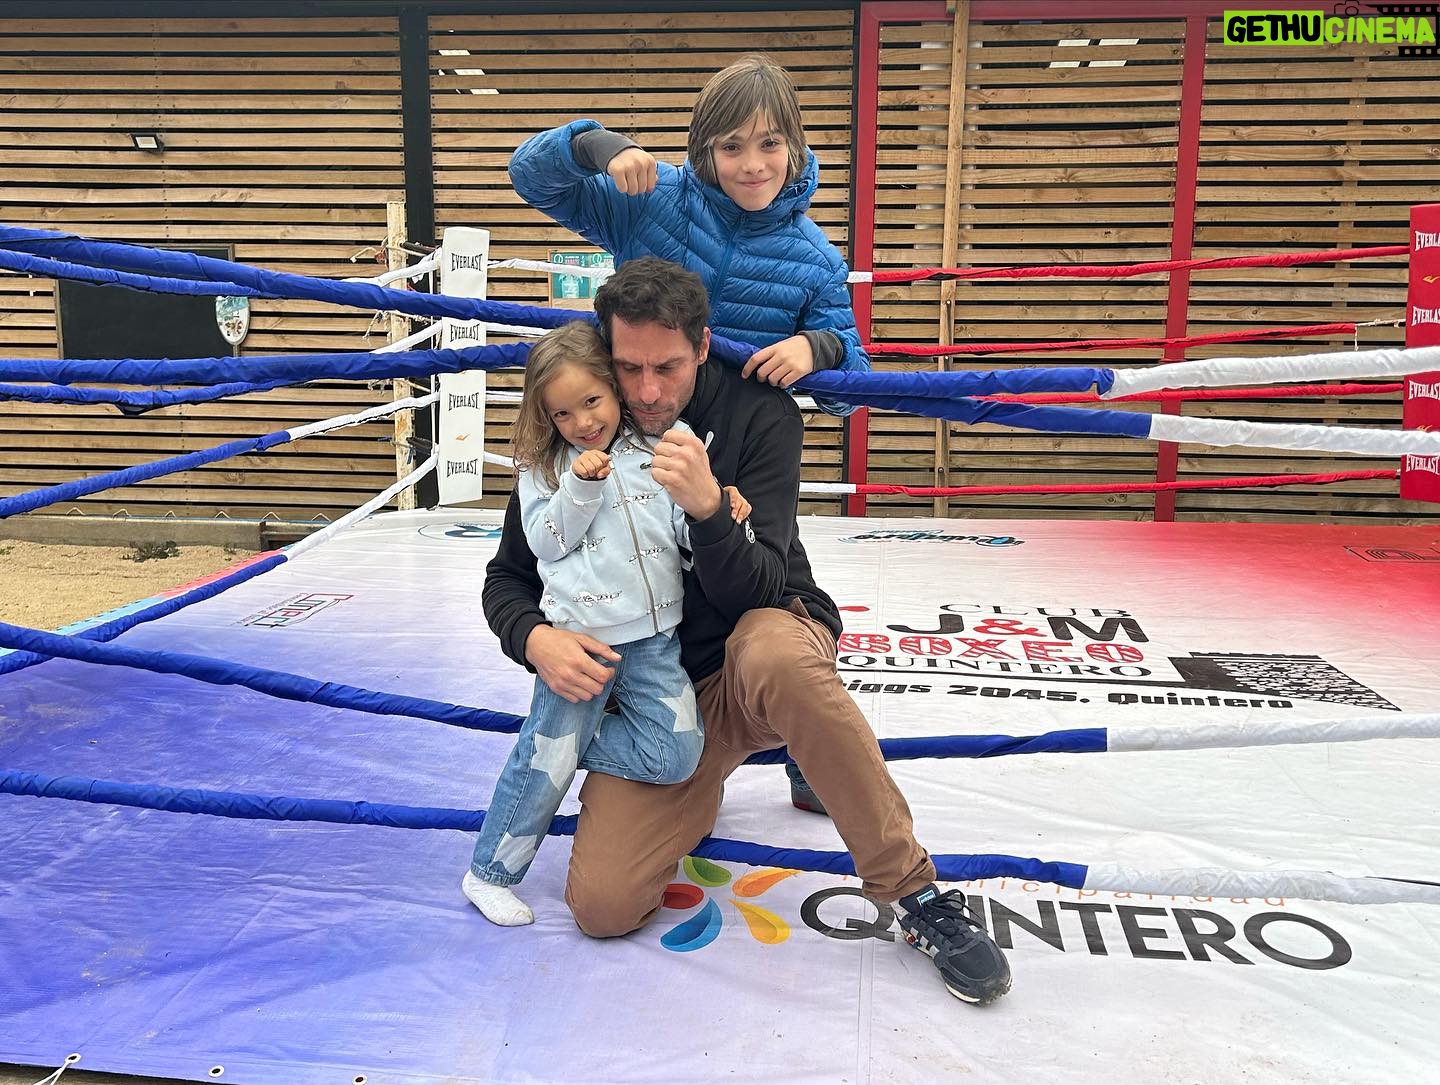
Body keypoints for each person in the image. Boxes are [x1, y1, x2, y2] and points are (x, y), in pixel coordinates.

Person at [482, 258, 1012, 1004]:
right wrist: (536, 638)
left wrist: (707, 510)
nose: (647, 392)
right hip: (663, 694)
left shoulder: (759, 415)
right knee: (603, 905)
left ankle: (913, 890)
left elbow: (757, 588)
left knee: (774, 655)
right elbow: (508, 576)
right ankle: (706, 778)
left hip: (759, 642)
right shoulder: (579, 437)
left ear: (703, 346)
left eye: (667, 367)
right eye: (628, 369)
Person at [510, 51, 867, 812]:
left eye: (770, 143)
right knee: (634, 581)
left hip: (739, 445)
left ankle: (804, 734)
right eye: (731, 145)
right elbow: (531, 176)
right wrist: (600, 147)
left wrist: (820, 348)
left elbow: (853, 377)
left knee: (773, 578)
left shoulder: (813, 257)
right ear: (704, 148)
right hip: (632, 427)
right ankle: (646, 725)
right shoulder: (655, 199)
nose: (752, 163)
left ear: (797, 146)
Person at [463, 320, 751, 927]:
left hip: (653, 642)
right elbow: (545, 544)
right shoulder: (544, 469)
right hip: (581, 647)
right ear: (546, 417)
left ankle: (558, 749)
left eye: (592, 401)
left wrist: (720, 510)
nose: (582, 421)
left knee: (677, 754)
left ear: (614, 388)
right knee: (542, 767)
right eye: (563, 413)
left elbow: (686, 538)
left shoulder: (661, 448)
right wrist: (579, 487)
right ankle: (488, 873)